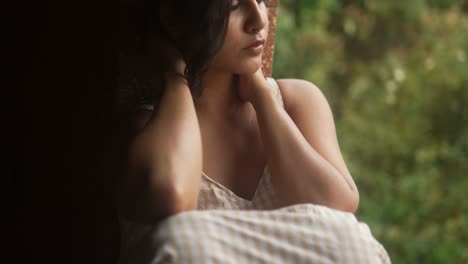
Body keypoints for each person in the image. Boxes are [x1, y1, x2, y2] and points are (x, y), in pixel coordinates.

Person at [116, 0, 359, 228]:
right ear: (178, 16)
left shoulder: (297, 103)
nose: (258, 20)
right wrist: (175, 77)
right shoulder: (149, 125)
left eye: (261, 0)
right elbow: (169, 195)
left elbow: (337, 216)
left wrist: (262, 97)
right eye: (233, 5)